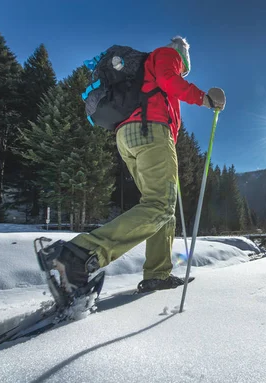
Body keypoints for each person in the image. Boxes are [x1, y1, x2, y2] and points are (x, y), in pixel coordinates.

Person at [42, 36, 225, 294]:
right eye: (185, 66)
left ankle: (158, 275)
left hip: (130, 134)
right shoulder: (167, 54)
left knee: (163, 210)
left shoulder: (146, 67)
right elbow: (168, 80)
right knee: (160, 205)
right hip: (151, 129)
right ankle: (80, 253)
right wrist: (204, 98)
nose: (183, 69)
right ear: (183, 56)